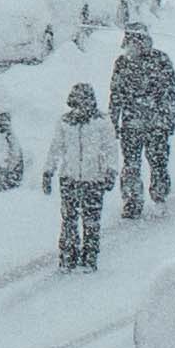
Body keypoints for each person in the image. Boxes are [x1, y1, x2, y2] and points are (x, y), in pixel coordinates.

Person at [109, 14, 175, 218]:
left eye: (136, 41)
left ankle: (159, 196)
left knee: (158, 162)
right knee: (131, 164)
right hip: (131, 124)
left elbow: (170, 93)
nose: (132, 46)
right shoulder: (122, 64)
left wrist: (168, 119)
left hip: (156, 124)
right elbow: (116, 94)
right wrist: (113, 121)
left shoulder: (160, 61)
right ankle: (132, 201)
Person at [46, 76, 117, 270]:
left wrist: (111, 171)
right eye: (76, 104)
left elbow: (110, 148)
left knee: (91, 220)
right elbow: (56, 148)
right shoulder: (65, 123)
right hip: (69, 178)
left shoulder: (102, 122)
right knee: (69, 219)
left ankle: (90, 256)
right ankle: (68, 255)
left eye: (84, 103)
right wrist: (48, 171)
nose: (80, 108)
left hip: (94, 179)